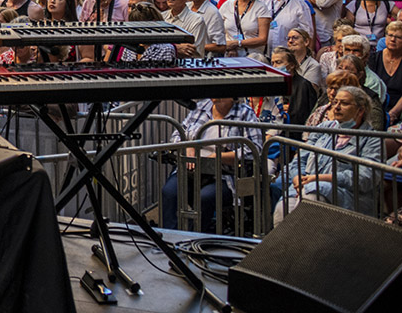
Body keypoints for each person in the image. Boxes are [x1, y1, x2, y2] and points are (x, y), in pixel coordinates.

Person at [274, 86, 380, 223]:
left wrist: (322, 178)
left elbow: (366, 178)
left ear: (360, 110)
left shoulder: (371, 139)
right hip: (305, 187)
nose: (336, 107)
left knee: (312, 198)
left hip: (346, 197)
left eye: (344, 103)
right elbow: (299, 160)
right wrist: (297, 177)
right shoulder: (323, 128)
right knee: (282, 209)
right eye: (335, 102)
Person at [160, 97, 262, 233]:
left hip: (225, 175)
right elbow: (177, 135)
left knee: (204, 198)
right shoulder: (200, 108)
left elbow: (254, 149)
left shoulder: (245, 113)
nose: (216, 97)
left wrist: (219, 157)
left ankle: (195, 239)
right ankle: (169, 238)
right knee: (169, 192)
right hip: (192, 169)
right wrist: (187, 147)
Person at [368, 20, 402, 125]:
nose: (392, 39)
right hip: (375, 108)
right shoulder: (373, 58)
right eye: (390, 35)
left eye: (398, 37)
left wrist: (393, 113)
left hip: (399, 111)